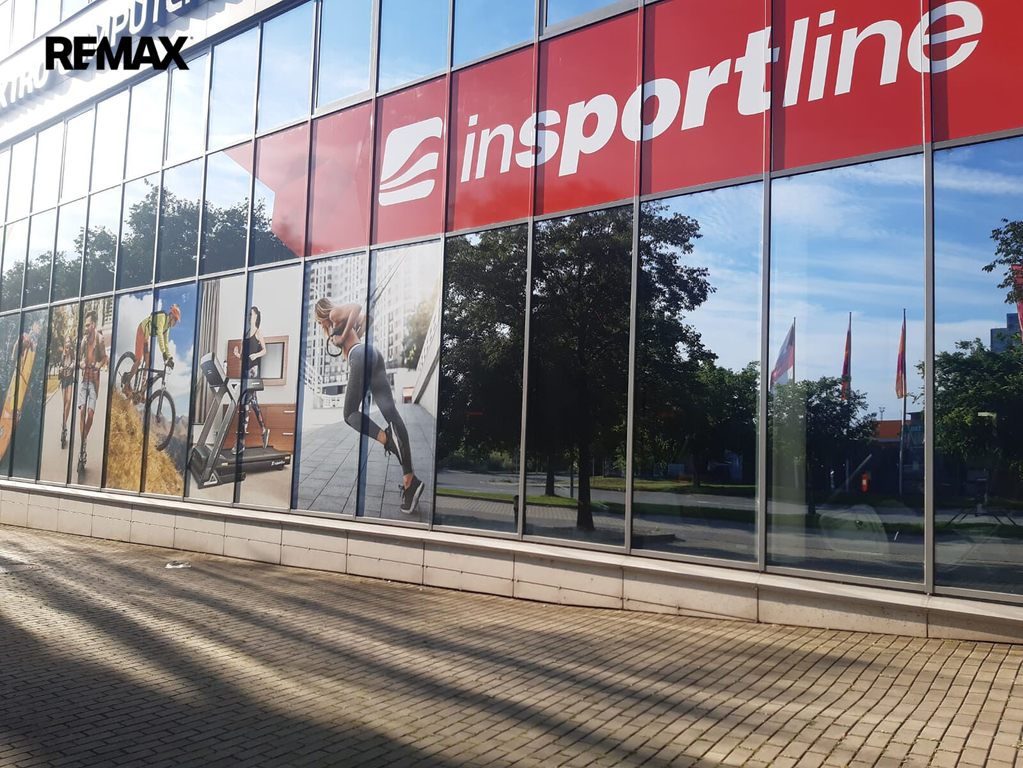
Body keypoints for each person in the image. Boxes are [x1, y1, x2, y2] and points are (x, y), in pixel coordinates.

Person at [314, 297, 425, 514]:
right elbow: (367, 319)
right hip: (372, 355)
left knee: (349, 414)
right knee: (391, 413)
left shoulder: (334, 314)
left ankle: (386, 438)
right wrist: (354, 330)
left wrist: (343, 335)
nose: (321, 326)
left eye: (319, 322)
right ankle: (410, 481)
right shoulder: (339, 322)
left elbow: (356, 308)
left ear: (321, 315)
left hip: (359, 355)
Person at [231, 306, 270, 454]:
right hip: (246, 371)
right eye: (249, 315)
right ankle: (264, 430)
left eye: (253, 315)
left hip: (254, 370)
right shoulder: (245, 335)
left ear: (257, 317)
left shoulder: (258, 332)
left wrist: (256, 355)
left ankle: (241, 441)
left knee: (246, 402)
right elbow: (243, 356)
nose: (251, 317)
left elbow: (264, 350)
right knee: (253, 402)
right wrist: (237, 354)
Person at [122, 304, 180, 399]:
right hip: (142, 330)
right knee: (138, 361)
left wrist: (169, 358)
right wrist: (163, 353)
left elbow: (166, 343)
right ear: (171, 316)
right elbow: (160, 335)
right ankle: (126, 386)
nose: (176, 323)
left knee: (148, 362)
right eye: (176, 320)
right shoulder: (162, 317)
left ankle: (141, 391)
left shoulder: (167, 328)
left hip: (146, 336)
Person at [78, 310, 108, 472]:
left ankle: (84, 437)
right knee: (82, 409)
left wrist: (98, 365)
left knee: (90, 414)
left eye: (88, 325)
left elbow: (105, 358)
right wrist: (82, 364)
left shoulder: (100, 339)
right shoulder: (84, 341)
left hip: (94, 382)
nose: (86, 328)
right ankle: (83, 443)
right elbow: (79, 359)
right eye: (85, 325)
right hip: (85, 381)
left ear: (94, 325)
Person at [58, 337, 76, 449]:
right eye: (66, 342)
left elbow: (75, 362)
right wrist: (61, 368)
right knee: (65, 404)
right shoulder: (63, 355)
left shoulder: (72, 353)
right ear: (65, 344)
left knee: (69, 401)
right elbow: (60, 365)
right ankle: (64, 426)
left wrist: (72, 365)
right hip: (63, 380)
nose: (68, 344)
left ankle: (64, 424)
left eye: (69, 342)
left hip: (70, 380)